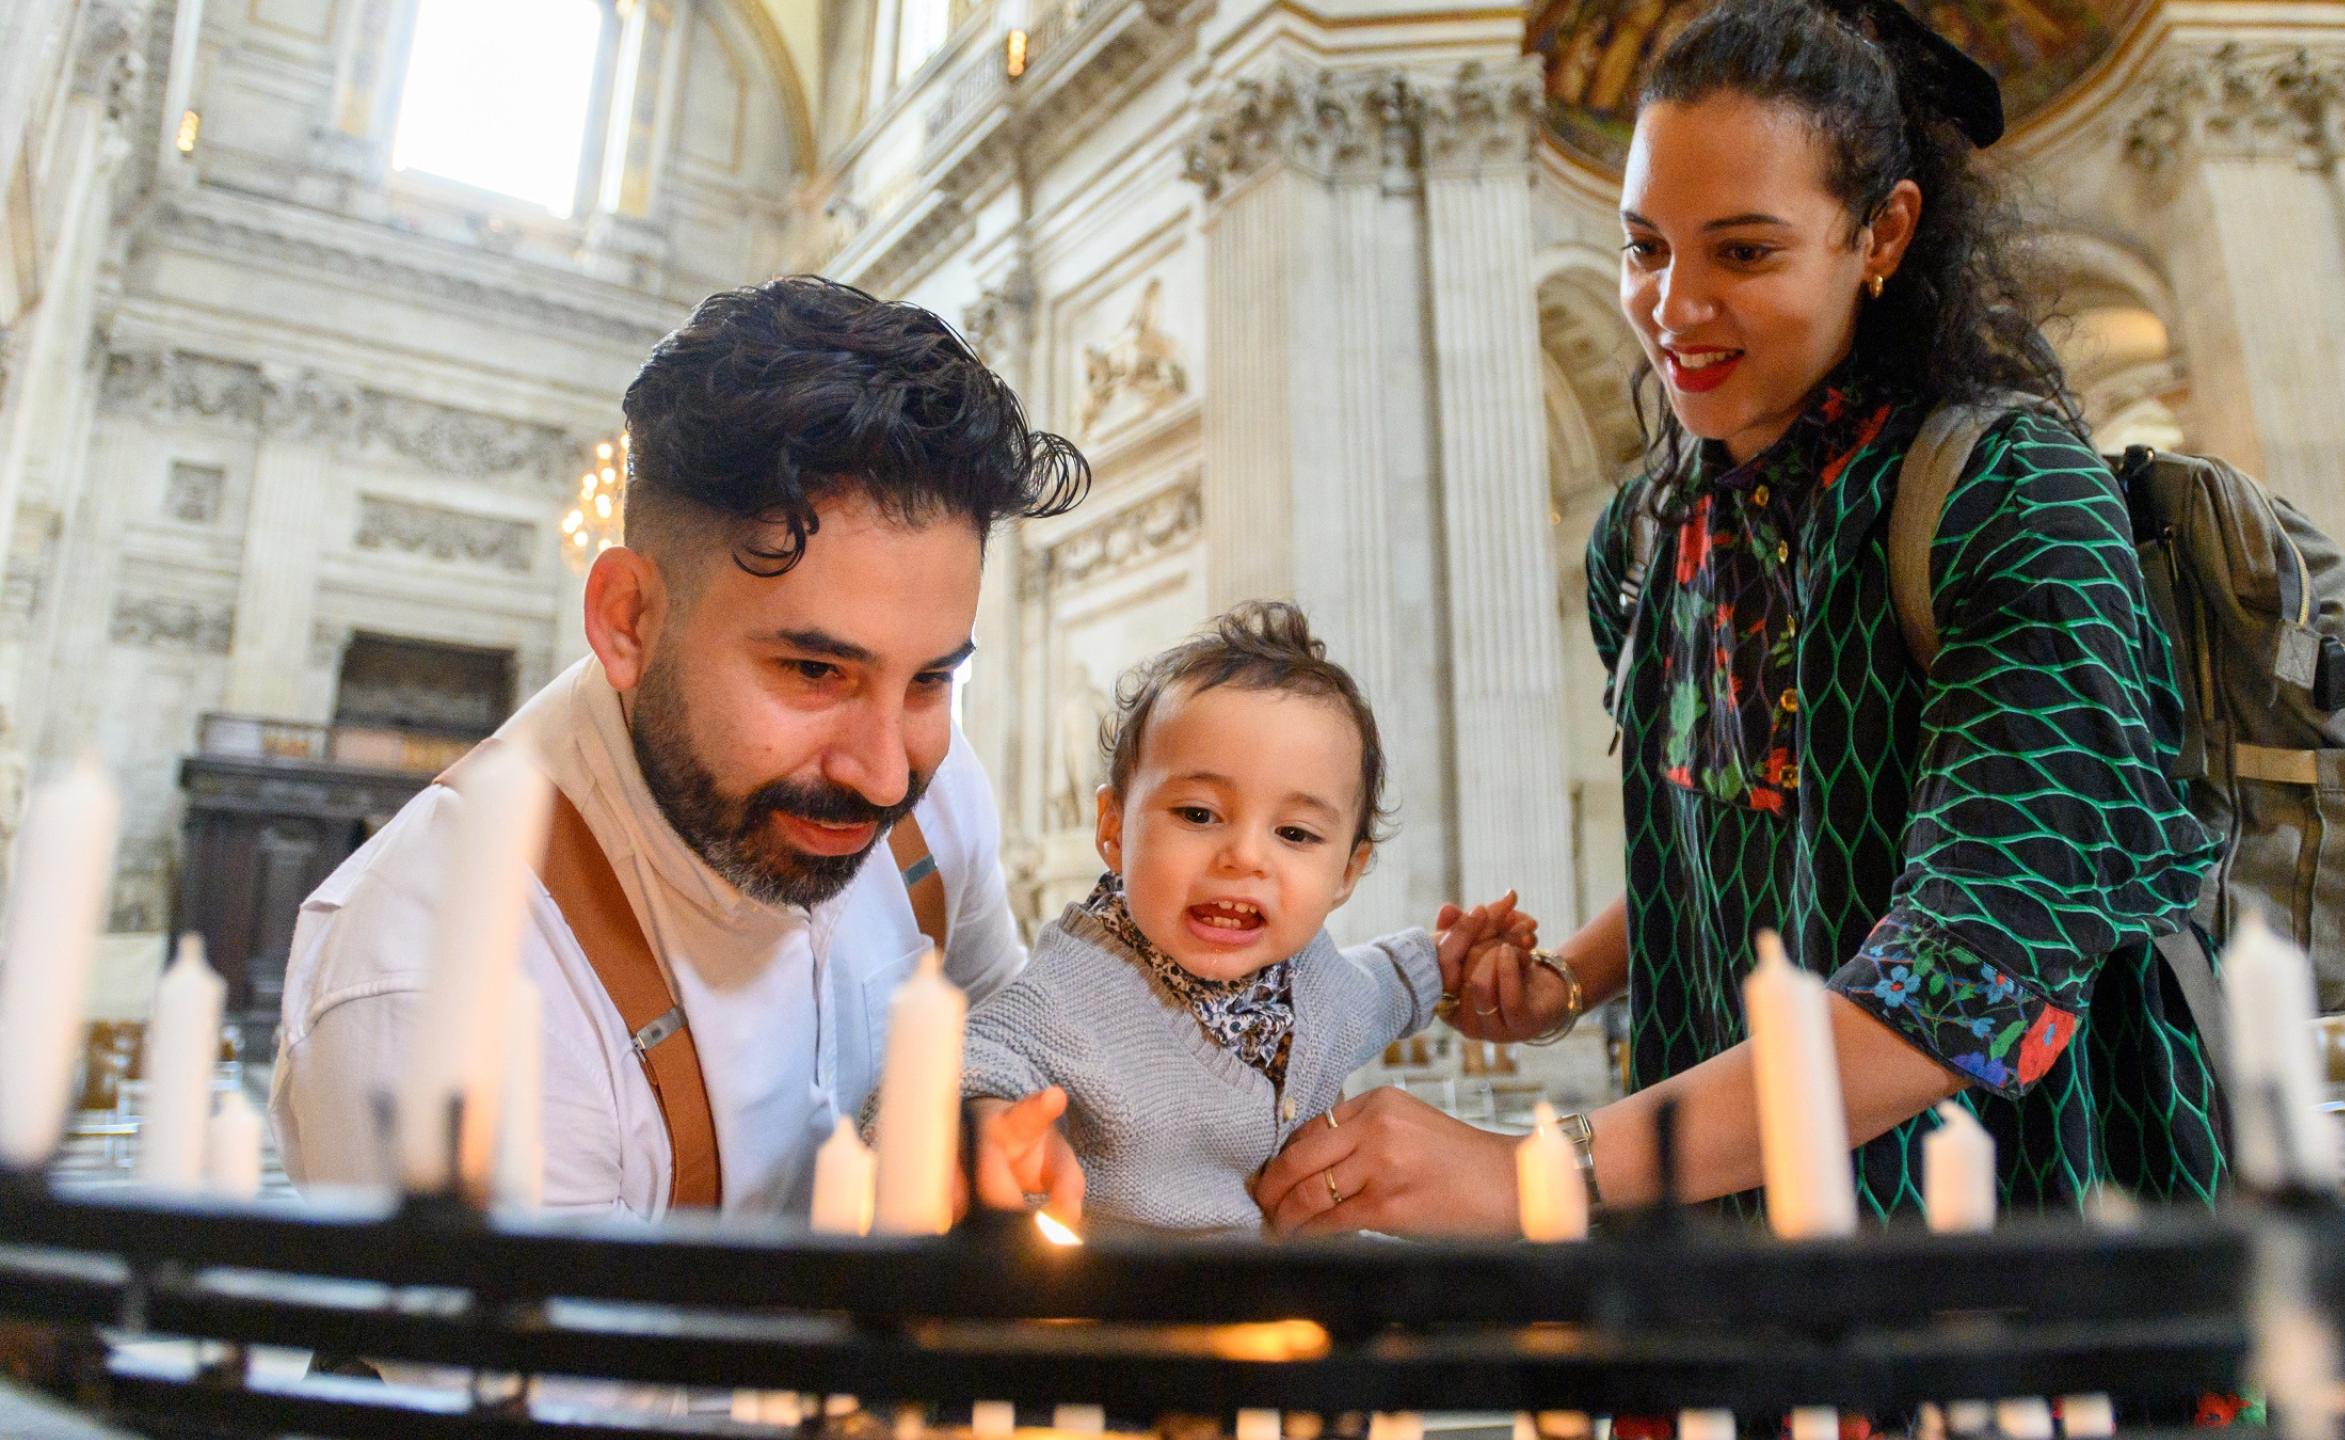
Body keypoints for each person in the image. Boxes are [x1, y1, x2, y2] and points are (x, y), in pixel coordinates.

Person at [1259, 0, 2224, 1241]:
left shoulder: (2010, 495)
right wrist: (1570, 980)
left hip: (2010, 1232)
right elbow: (1727, 836)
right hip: (1725, 1218)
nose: (1673, 306)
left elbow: (1969, 981)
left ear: (1881, 233)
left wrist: (1528, 1172)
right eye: (1645, 247)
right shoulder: (1650, 531)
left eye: (1744, 252)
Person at [273, 276, 1090, 1221]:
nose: (884, 772)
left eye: (930, 681)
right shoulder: (431, 986)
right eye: (814, 673)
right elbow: (571, 1373)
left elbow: (994, 1024)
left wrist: (989, 1116)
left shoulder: (933, 791)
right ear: (629, 619)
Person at [954, 601, 1520, 1236]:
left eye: (1296, 833)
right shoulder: (1074, 992)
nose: (1245, 857)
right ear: (1113, 829)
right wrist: (981, 1125)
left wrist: (1445, 961)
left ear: (1346, 875)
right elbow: (955, 1066)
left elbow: (1382, 985)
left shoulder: (1318, 980)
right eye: (1198, 814)